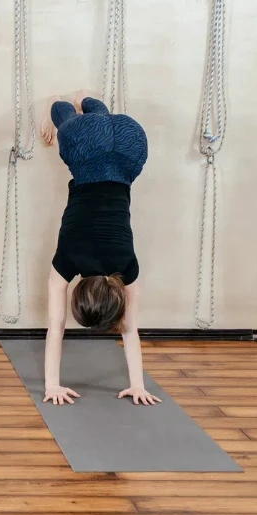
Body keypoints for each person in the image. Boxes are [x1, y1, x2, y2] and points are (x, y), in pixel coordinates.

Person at [39, 92, 161, 407]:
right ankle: (71, 102)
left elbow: (130, 331)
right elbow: (57, 327)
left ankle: (84, 104)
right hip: (86, 151)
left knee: (102, 125)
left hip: (130, 146)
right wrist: (52, 384)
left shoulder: (127, 266)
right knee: (65, 116)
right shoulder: (69, 259)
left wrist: (139, 385)